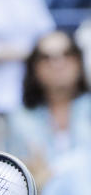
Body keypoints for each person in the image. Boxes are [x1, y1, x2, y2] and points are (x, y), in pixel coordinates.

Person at [6, 30, 91, 166]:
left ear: (79, 62)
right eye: (46, 58)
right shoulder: (19, 119)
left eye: (67, 54)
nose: (58, 64)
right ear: (34, 68)